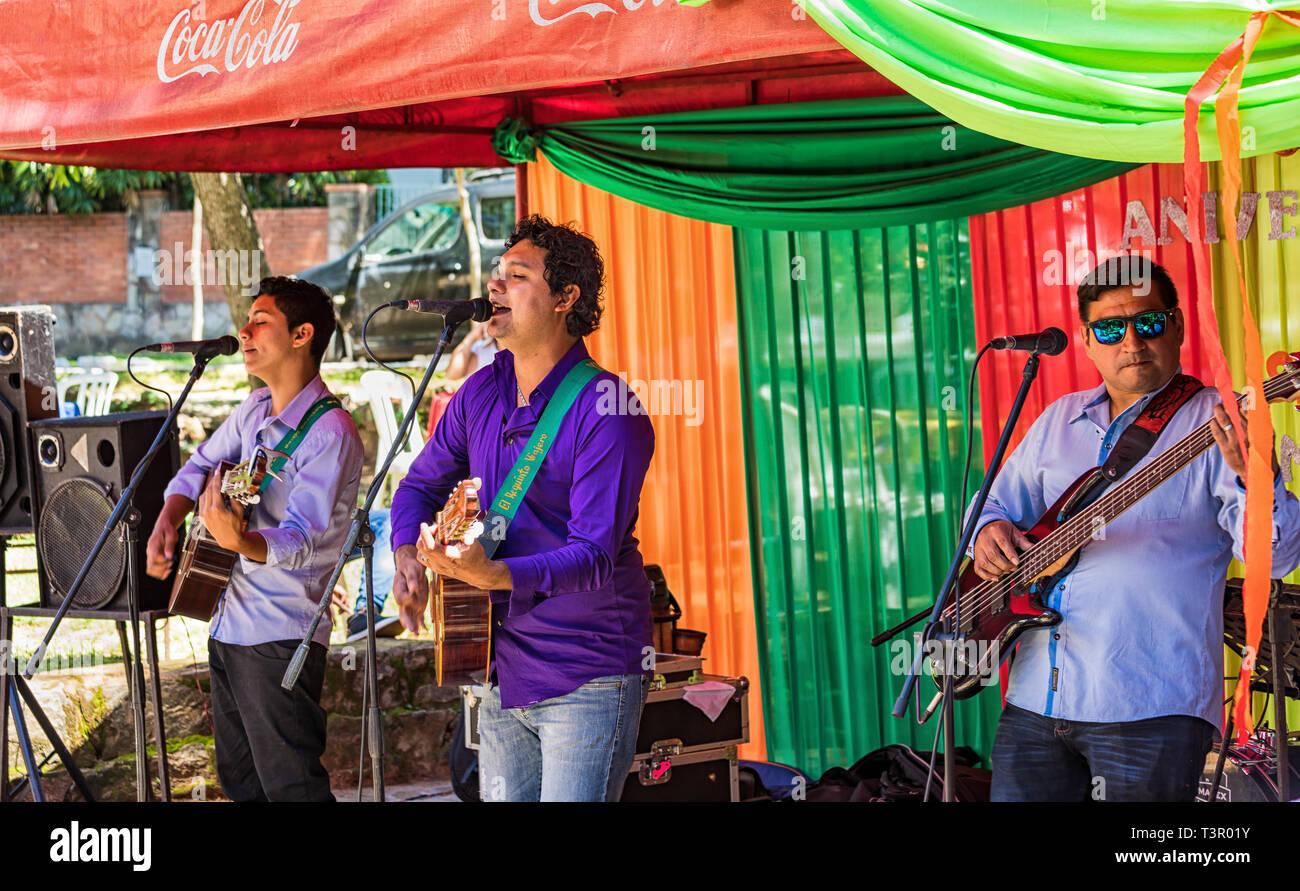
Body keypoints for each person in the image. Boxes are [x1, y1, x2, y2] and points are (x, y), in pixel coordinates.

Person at [969, 256, 1300, 802]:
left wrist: (1254, 476)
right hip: (1034, 700)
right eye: (1109, 328)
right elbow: (992, 506)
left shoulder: (1219, 421)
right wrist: (988, 531)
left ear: (1176, 326)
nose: (1131, 342)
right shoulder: (1058, 419)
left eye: (1147, 323)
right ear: (1087, 340)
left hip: (1150, 708)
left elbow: (1278, 557)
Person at [390, 215, 655, 802]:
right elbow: (418, 487)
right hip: (496, 663)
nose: (495, 287)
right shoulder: (480, 392)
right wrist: (407, 554)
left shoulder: (608, 408)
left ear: (565, 298)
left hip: (585, 669)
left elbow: (592, 556)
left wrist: (498, 574)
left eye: (517, 275)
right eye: (495, 275)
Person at [145, 276, 363, 802]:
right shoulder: (254, 410)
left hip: (280, 633)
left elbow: (301, 539)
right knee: (242, 784)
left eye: (260, 321)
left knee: (292, 787)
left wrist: (239, 541)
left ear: (301, 334)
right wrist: (169, 519)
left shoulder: (330, 432)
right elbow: (200, 464)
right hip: (229, 621)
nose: (243, 331)